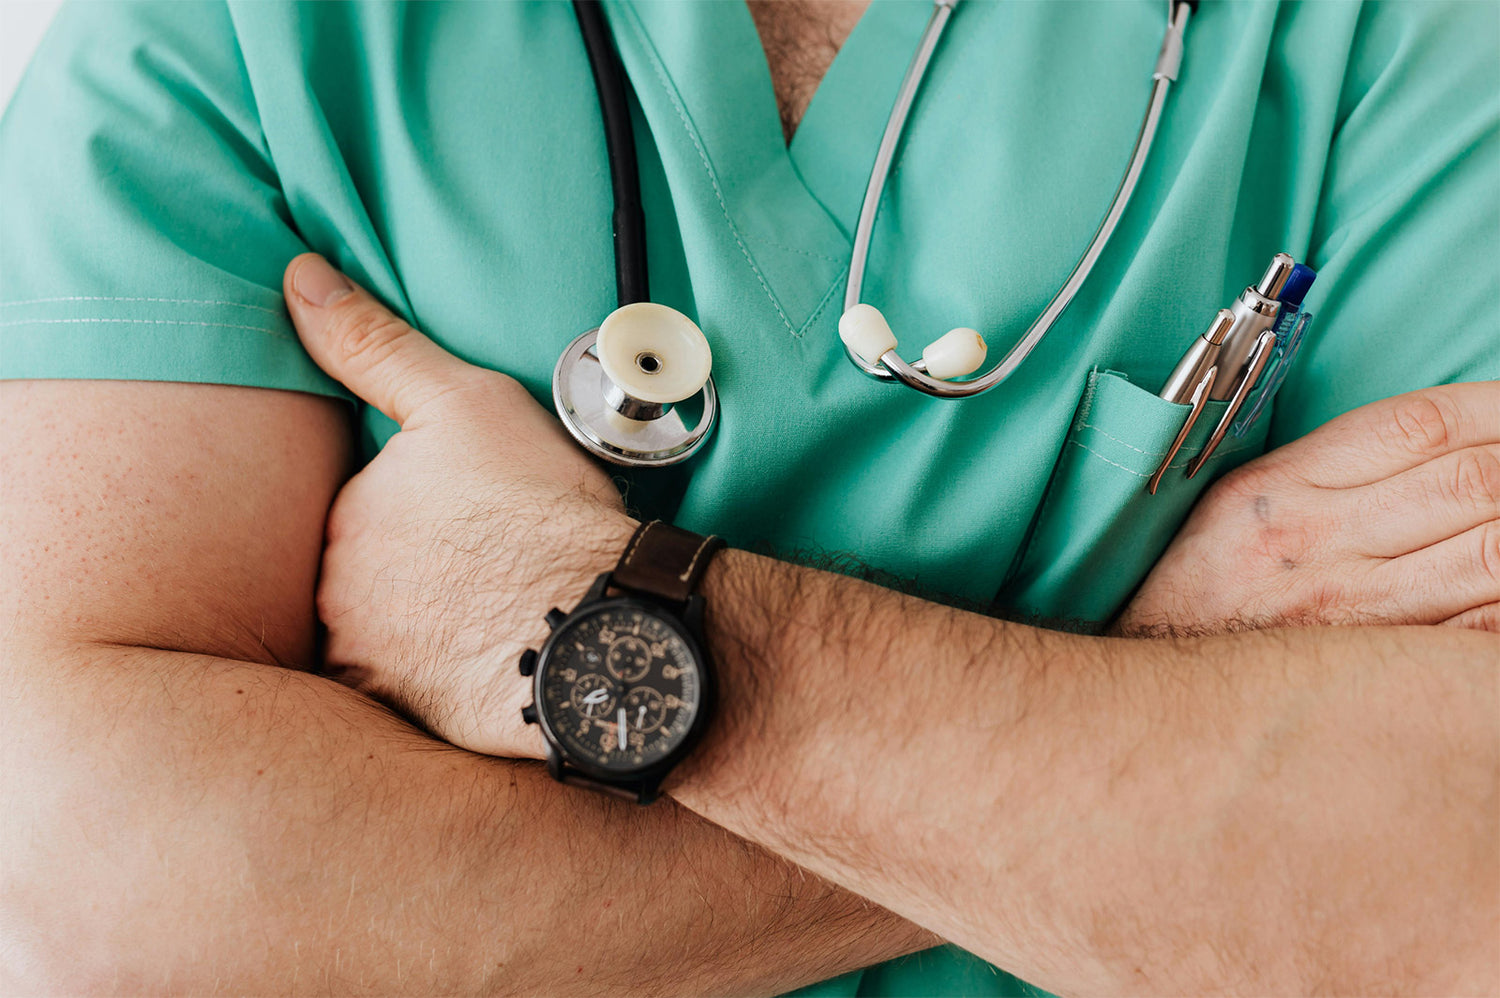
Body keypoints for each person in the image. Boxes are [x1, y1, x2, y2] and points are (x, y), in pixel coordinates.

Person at [1, 0, 1495, 993]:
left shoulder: (1396, 38)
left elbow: (1455, 869)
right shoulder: (230, 33)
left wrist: (548, 617)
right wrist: (1113, 664)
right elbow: (109, 876)